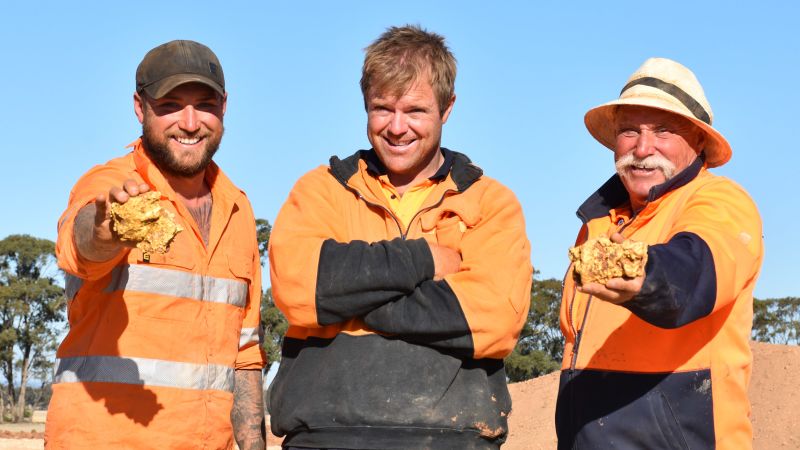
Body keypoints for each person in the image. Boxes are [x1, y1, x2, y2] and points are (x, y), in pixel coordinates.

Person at [267, 25, 532, 449]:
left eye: (415, 111)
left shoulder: (490, 202)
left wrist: (351, 299)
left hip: (454, 439)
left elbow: (496, 320)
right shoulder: (321, 190)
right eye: (382, 108)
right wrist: (425, 261)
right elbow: (298, 288)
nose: (396, 127)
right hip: (325, 438)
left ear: (447, 109)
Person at [46, 40, 267, 449]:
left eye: (204, 104)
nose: (189, 122)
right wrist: (106, 228)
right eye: (169, 105)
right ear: (139, 107)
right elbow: (80, 246)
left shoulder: (238, 208)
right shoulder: (110, 185)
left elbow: (245, 352)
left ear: (224, 107)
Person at [555, 57, 764, 449]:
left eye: (664, 131)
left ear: (698, 141)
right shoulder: (598, 224)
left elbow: (696, 269)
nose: (642, 148)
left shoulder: (720, 201)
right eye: (629, 131)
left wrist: (646, 273)